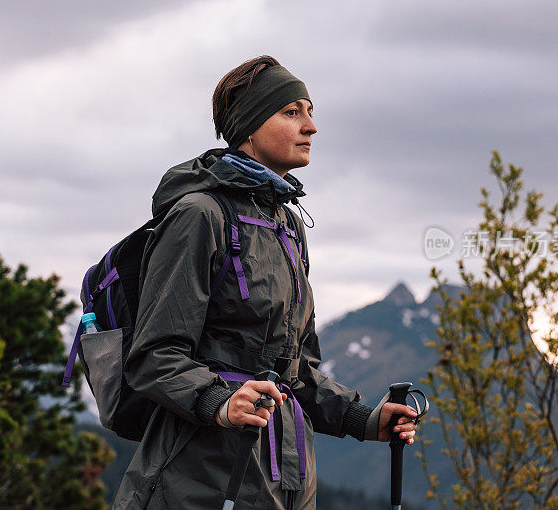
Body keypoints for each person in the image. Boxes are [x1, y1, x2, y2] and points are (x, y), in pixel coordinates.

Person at [113, 56, 419, 510]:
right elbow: (154, 356)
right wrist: (220, 401)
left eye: (310, 112)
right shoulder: (199, 215)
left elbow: (297, 374)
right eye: (292, 112)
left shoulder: (289, 227)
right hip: (199, 480)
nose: (311, 127)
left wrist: (365, 419)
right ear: (250, 127)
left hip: (287, 482)